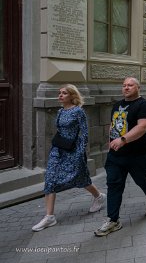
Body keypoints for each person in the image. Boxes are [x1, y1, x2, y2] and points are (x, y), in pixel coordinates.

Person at [32, 85, 105, 232]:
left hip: (73, 150)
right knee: (50, 178)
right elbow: (60, 130)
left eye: (64, 93)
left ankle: (98, 196)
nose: (60, 95)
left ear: (72, 96)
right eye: (59, 93)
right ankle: (49, 217)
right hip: (58, 149)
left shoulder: (78, 111)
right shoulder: (60, 111)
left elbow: (84, 134)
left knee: (80, 178)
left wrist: (80, 153)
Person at [95, 77, 146, 237]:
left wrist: (123, 140)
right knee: (114, 184)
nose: (126, 87)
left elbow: (143, 126)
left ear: (138, 87)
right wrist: (110, 142)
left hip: (138, 154)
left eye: (130, 85)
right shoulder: (117, 105)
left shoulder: (144, 105)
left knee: (142, 180)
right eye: (124, 85)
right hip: (116, 155)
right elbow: (114, 126)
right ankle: (113, 220)